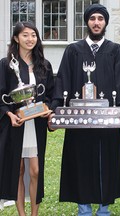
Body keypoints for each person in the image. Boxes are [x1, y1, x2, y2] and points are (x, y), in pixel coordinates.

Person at [49, 3, 120, 216]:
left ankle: (104, 208)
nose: (96, 23)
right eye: (93, 18)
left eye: (100, 19)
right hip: (79, 120)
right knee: (81, 160)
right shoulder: (73, 50)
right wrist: (55, 108)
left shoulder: (115, 50)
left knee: (107, 160)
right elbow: (63, 80)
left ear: (105, 22)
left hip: (108, 119)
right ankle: (84, 208)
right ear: (86, 22)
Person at [0, 21, 54, 216]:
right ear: (16, 38)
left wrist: (49, 110)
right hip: (17, 124)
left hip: (36, 123)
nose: (30, 39)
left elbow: (50, 94)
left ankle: (34, 214)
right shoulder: (6, 65)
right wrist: (9, 113)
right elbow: (1, 94)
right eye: (25, 35)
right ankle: (22, 214)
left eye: (33, 35)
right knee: (18, 169)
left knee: (35, 171)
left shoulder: (44, 65)